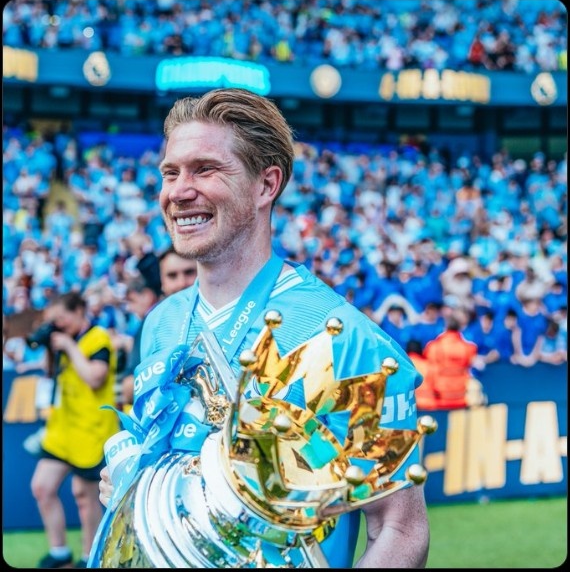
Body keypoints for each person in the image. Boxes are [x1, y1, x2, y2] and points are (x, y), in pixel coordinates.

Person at [98, 87, 429, 568]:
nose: (179, 191)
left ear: (265, 185)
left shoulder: (346, 341)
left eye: (205, 169)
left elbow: (399, 529)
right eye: (171, 173)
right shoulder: (160, 323)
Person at [30, 291, 119, 569]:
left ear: (79, 311)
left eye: (61, 318)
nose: (58, 325)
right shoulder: (62, 340)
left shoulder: (98, 337)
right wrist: (51, 347)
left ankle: (88, 556)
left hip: (91, 430)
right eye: (53, 321)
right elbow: (50, 374)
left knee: (84, 495)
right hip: (62, 430)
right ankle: (59, 552)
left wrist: (69, 345)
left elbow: (95, 377)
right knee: (42, 486)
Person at [120, 248, 197, 406]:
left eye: (189, 272)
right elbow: (128, 389)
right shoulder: (153, 322)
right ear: (162, 282)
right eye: (172, 276)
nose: (182, 283)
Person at [422, 311, 478, 409]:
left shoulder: (433, 347)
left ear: (445, 328)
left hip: (440, 397)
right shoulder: (469, 348)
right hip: (461, 397)